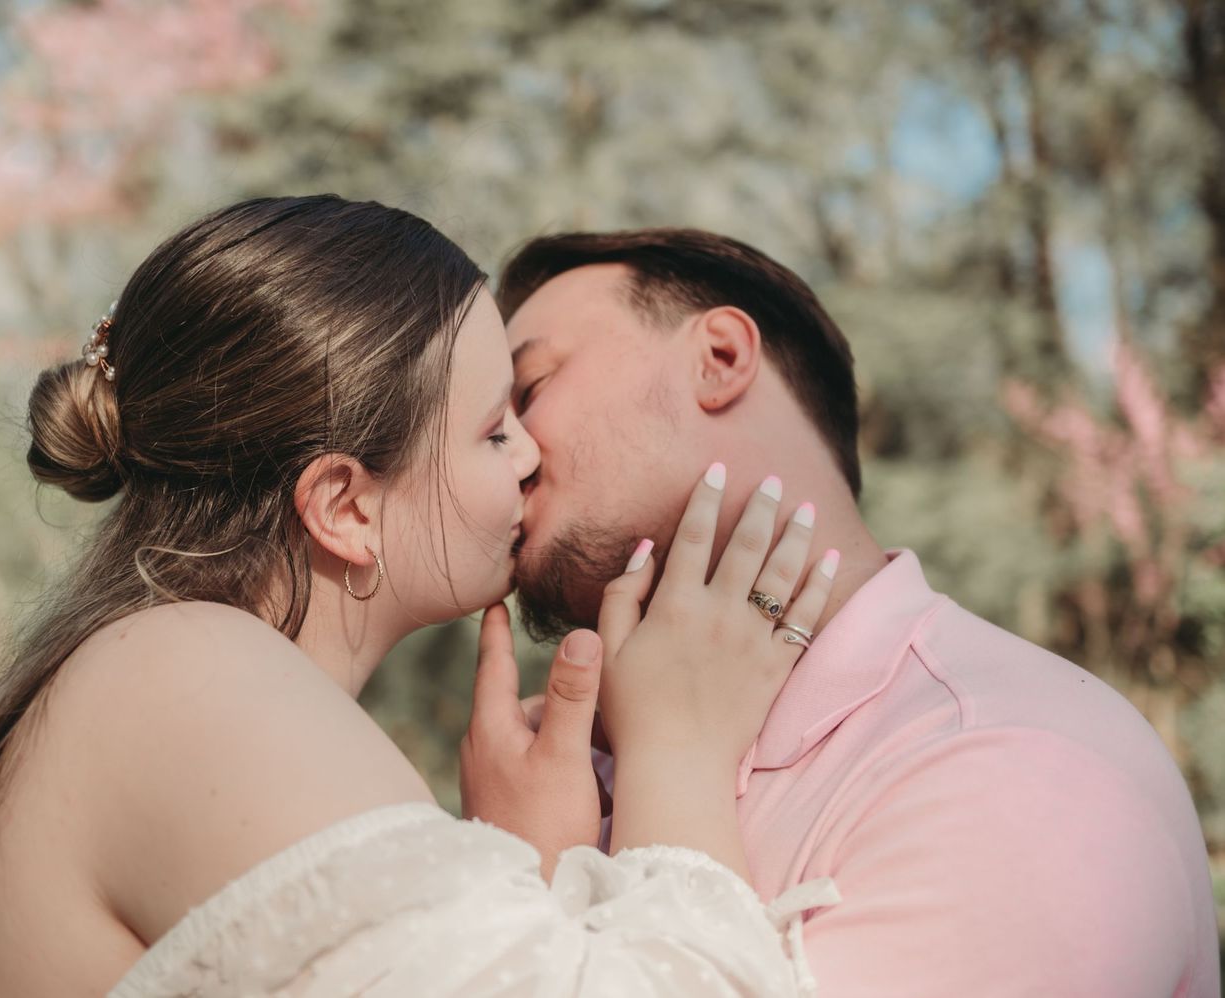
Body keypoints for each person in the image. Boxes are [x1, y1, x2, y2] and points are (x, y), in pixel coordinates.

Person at [0, 196, 843, 998]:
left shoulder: (172, 668)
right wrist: (678, 749)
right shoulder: (194, 680)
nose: (532, 457)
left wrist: (532, 867)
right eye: (494, 427)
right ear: (346, 506)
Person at [495, 227, 1221, 998]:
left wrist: (664, 767)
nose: (506, 450)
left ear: (721, 359)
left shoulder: (1025, 774)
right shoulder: (570, 784)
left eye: (530, 389)